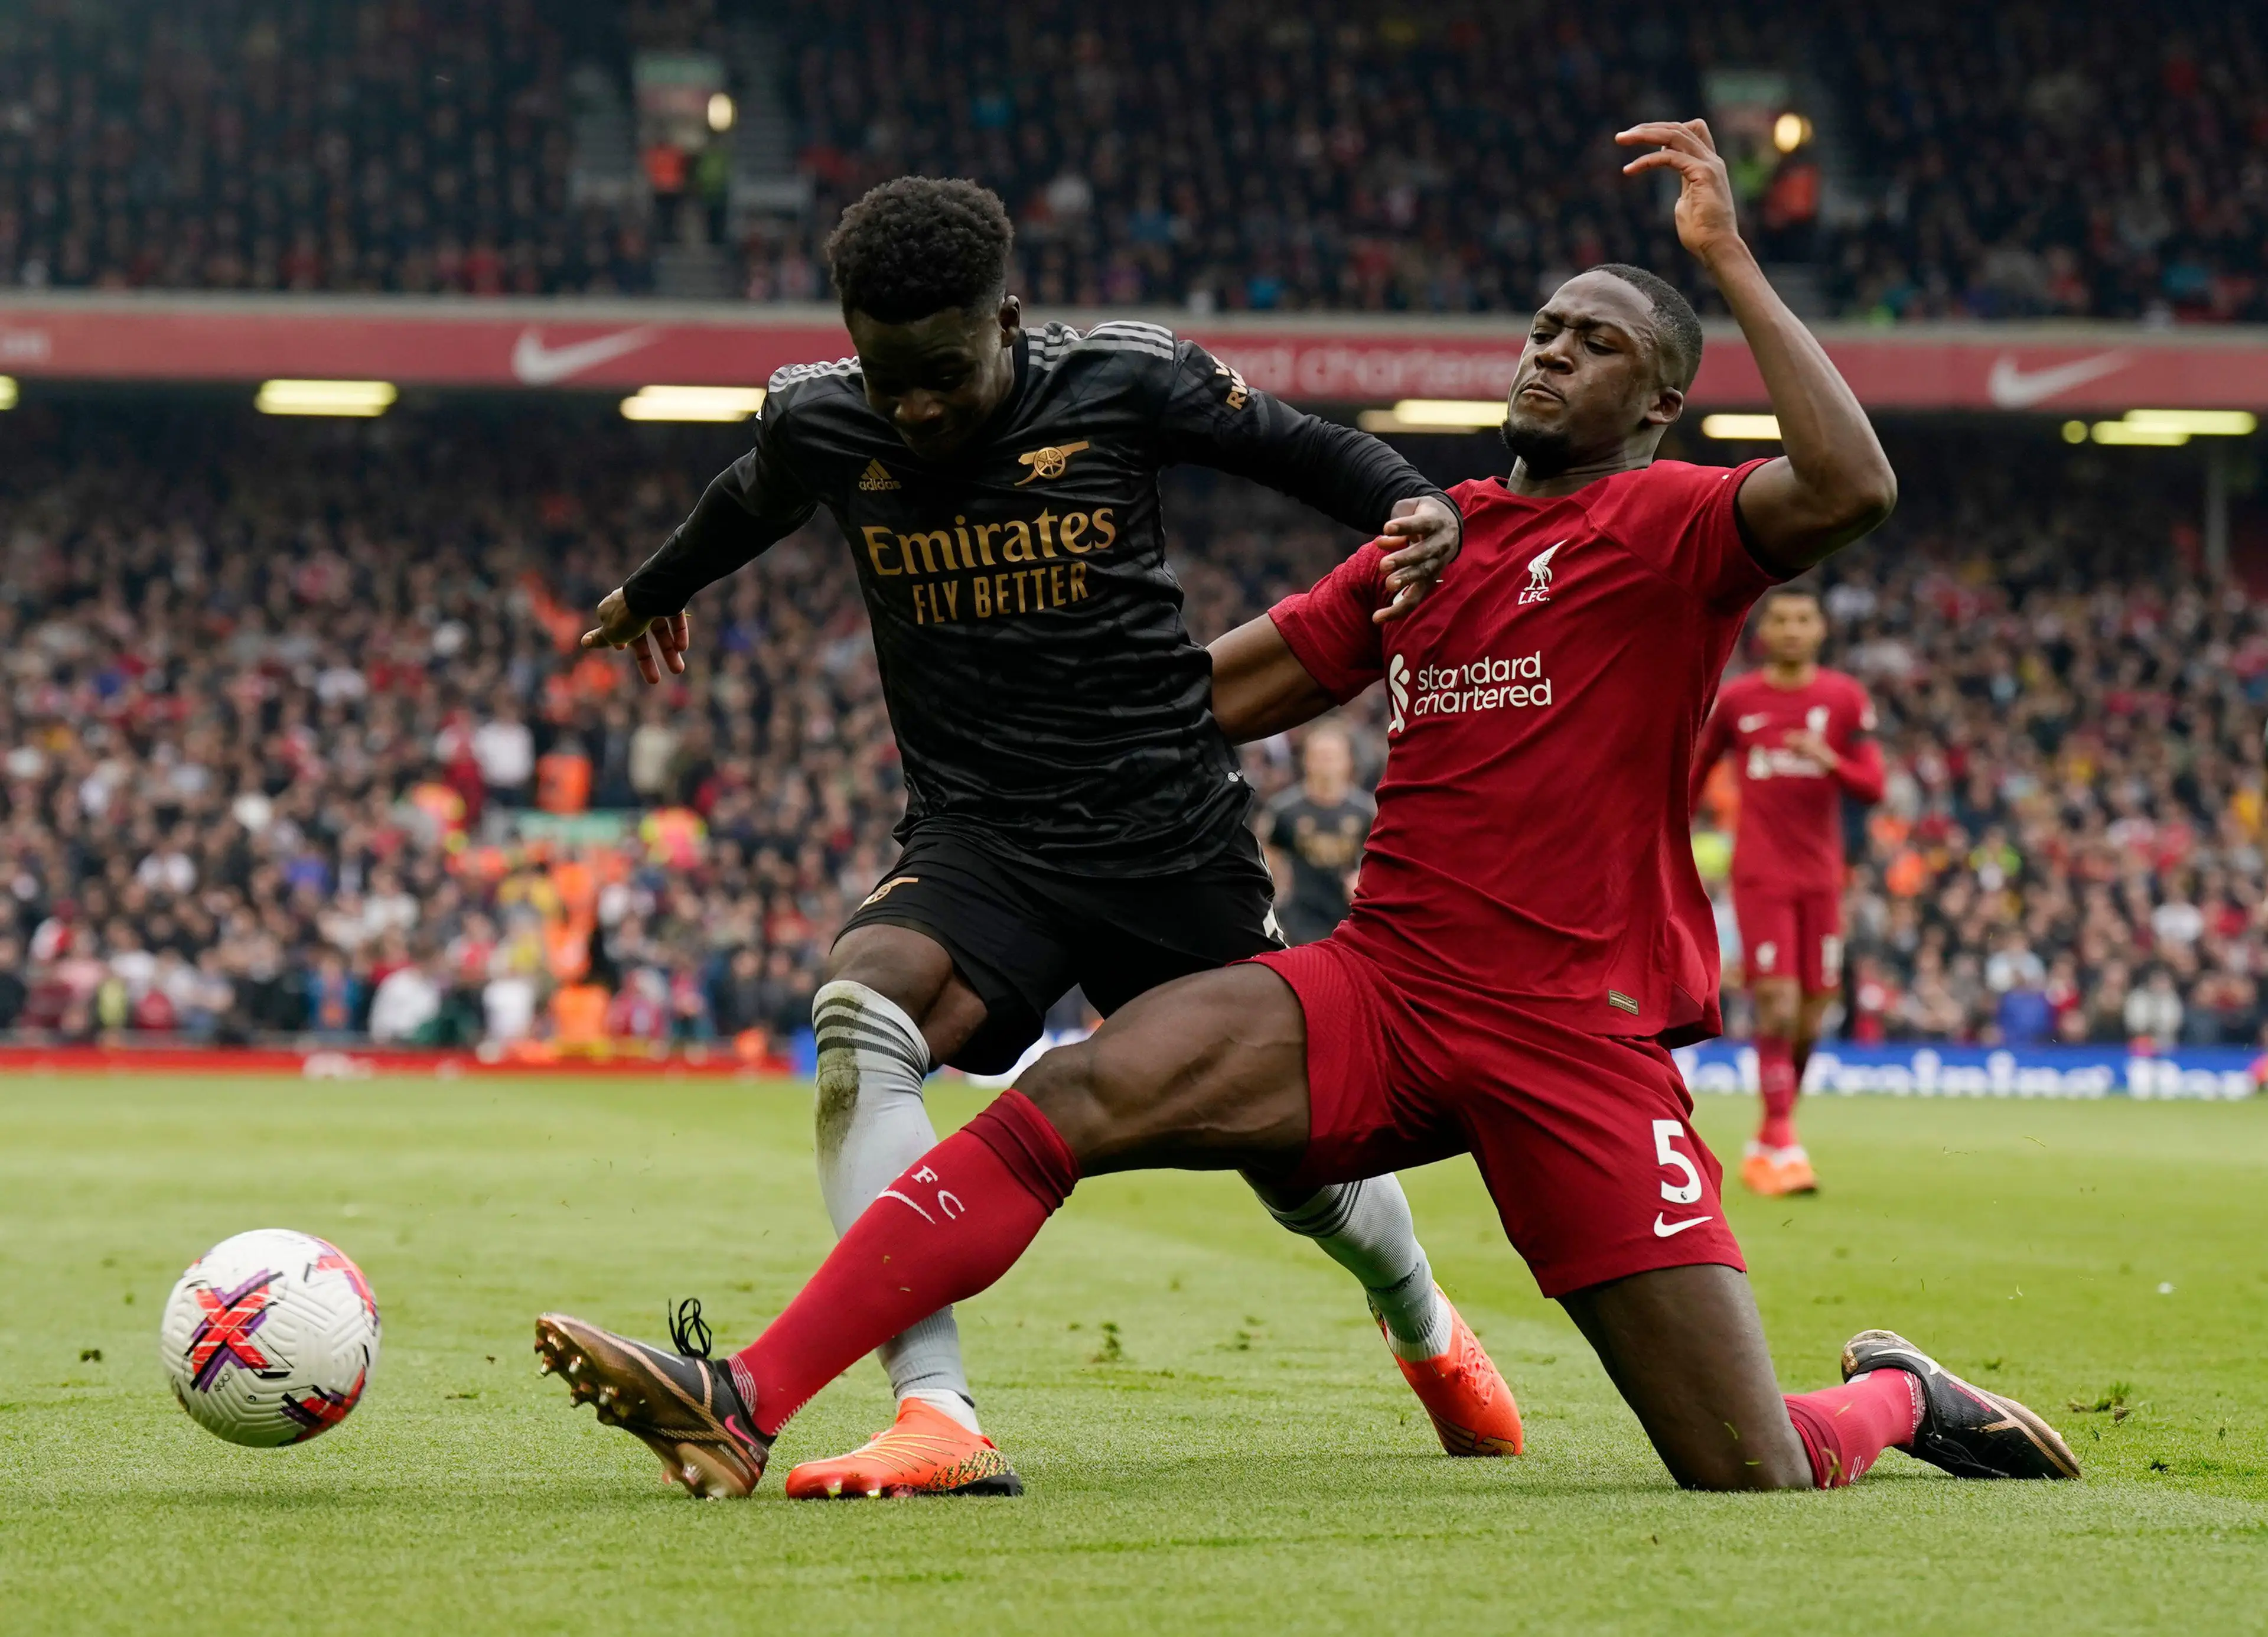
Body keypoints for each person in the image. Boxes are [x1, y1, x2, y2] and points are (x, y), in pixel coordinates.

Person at [534, 120, 2080, 1499]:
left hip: (1575, 1036)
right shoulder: (1434, 546)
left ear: (1664, 401)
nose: (1548, 353)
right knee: (1062, 1101)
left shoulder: (1678, 528)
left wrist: (1729, 259)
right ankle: (742, 1397)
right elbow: (1214, 688)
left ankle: (1896, 1393)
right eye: (1542, 330)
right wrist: (1016, 728)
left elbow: (1853, 487)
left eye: (1595, 342)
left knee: (1748, 1465)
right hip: (1386, 985)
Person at [573, 176, 1518, 1497]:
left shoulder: (1127, 381)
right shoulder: (824, 413)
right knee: (861, 1012)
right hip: (981, 836)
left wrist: (1422, 505)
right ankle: (937, 1412)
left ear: (1008, 318)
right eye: (886, 374)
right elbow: (753, 492)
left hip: (1165, 831)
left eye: (944, 374)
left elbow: (1306, 447)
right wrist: (655, 588)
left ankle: (1424, 1322)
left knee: (1296, 1160)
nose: (913, 407)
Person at [1690, 587, 1884, 1195]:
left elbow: (1873, 785)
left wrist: (1828, 758)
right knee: (1775, 1002)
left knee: (1812, 1013)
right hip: (1762, 873)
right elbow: (1693, 776)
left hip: (1823, 877)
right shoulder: (1740, 700)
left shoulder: (1843, 697)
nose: (1793, 628)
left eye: (1803, 618)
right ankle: (1782, 1141)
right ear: (1763, 630)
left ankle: (1771, 1135)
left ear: (1821, 628)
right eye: (1781, 619)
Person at [1259, 723, 1376, 945]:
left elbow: (1378, 860)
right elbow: (1266, 855)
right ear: (1306, 761)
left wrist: (1363, 880)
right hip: (1299, 916)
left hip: (1347, 914)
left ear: (1347, 762)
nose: (1326, 765)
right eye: (1319, 756)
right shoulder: (1284, 810)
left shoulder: (1366, 811)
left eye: (1332, 756)